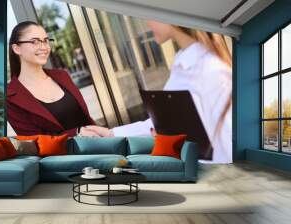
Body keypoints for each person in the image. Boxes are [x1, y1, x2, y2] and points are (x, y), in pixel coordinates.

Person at [84, 20, 232, 163]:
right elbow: (162, 123)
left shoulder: (210, 70)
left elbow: (229, 144)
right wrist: (111, 134)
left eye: (150, 15)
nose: (147, 23)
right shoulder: (183, 64)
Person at [6, 21, 98, 137]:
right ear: (17, 48)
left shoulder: (62, 76)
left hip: (100, 146)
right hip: (66, 154)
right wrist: (76, 133)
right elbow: (36, 142)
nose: (44, 47)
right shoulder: (10, 97)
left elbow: (85, 118)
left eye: (45, 41)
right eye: (35, 42)